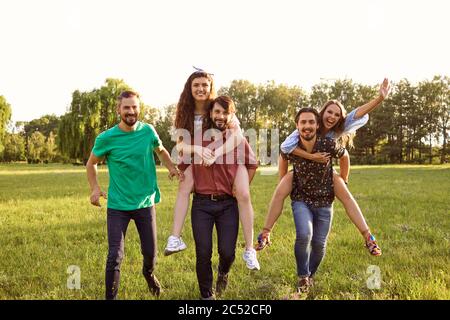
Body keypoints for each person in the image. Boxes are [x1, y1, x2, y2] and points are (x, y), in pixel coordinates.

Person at [257, 79, 390, 256]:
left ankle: (369, 238)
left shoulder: (336, 131)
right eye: (329, 112)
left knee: (347, 197)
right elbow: (284, 150)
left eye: (336, 115)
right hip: (301, 169)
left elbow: (356, 115)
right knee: (279, 192)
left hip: (324, 171)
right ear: (322, 114)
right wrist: (286, 176)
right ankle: (265, 233)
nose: (332, 117)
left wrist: (379, 99)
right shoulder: (308, 126)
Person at [86, 90, 182, 300]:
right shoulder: (107, 138)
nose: (131, 111)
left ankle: (148, 274)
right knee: (115, 256)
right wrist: (95, 188)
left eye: (134, 107)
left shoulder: (148, 131)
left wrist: (171, 168)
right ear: (118, 109)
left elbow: (161, 150)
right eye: (126, 107)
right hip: (118, 206)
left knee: (151, 254)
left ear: (139, 109)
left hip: (145, 203)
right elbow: (91, 163)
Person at [164, 69, 260, 270]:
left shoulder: (219, 107)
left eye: (204, 85)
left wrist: (215, 153)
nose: (200, 89)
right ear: (189, 89)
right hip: (199, 156)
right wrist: (200, 150)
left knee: (242, 193)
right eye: (196, 85)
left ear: (210, 88)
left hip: (230, 155)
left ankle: (250, 249)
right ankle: (175, 238)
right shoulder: (185, 113)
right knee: (184, 186)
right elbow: (181, 145)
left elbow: (237, 137)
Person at [191, 96, 258, 299]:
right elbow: (184, 159)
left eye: (225, 112)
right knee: (203, 252)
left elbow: (252, 164)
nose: (220, 116)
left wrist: (241, 188)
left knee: (227, 252)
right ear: (210, 113)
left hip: (228, 204)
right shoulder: (198, 137)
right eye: (216, 112)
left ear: (231, 115)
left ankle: (223, 272)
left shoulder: (237, 138)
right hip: (202, 203)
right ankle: (206, 295)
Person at [282, 107, 347, 293]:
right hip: (301, 198)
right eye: (303, 122)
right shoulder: (292, 144)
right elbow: (283, 154)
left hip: (325, 201)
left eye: (311, 122)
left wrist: (344, 179)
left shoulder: (327, 143)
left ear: (317, 125)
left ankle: (310, 276)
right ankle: (303, 277)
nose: (307, 125)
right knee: (304, 235)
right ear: (297, 125)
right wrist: (282, 182)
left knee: (319, 243)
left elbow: (345, 156)